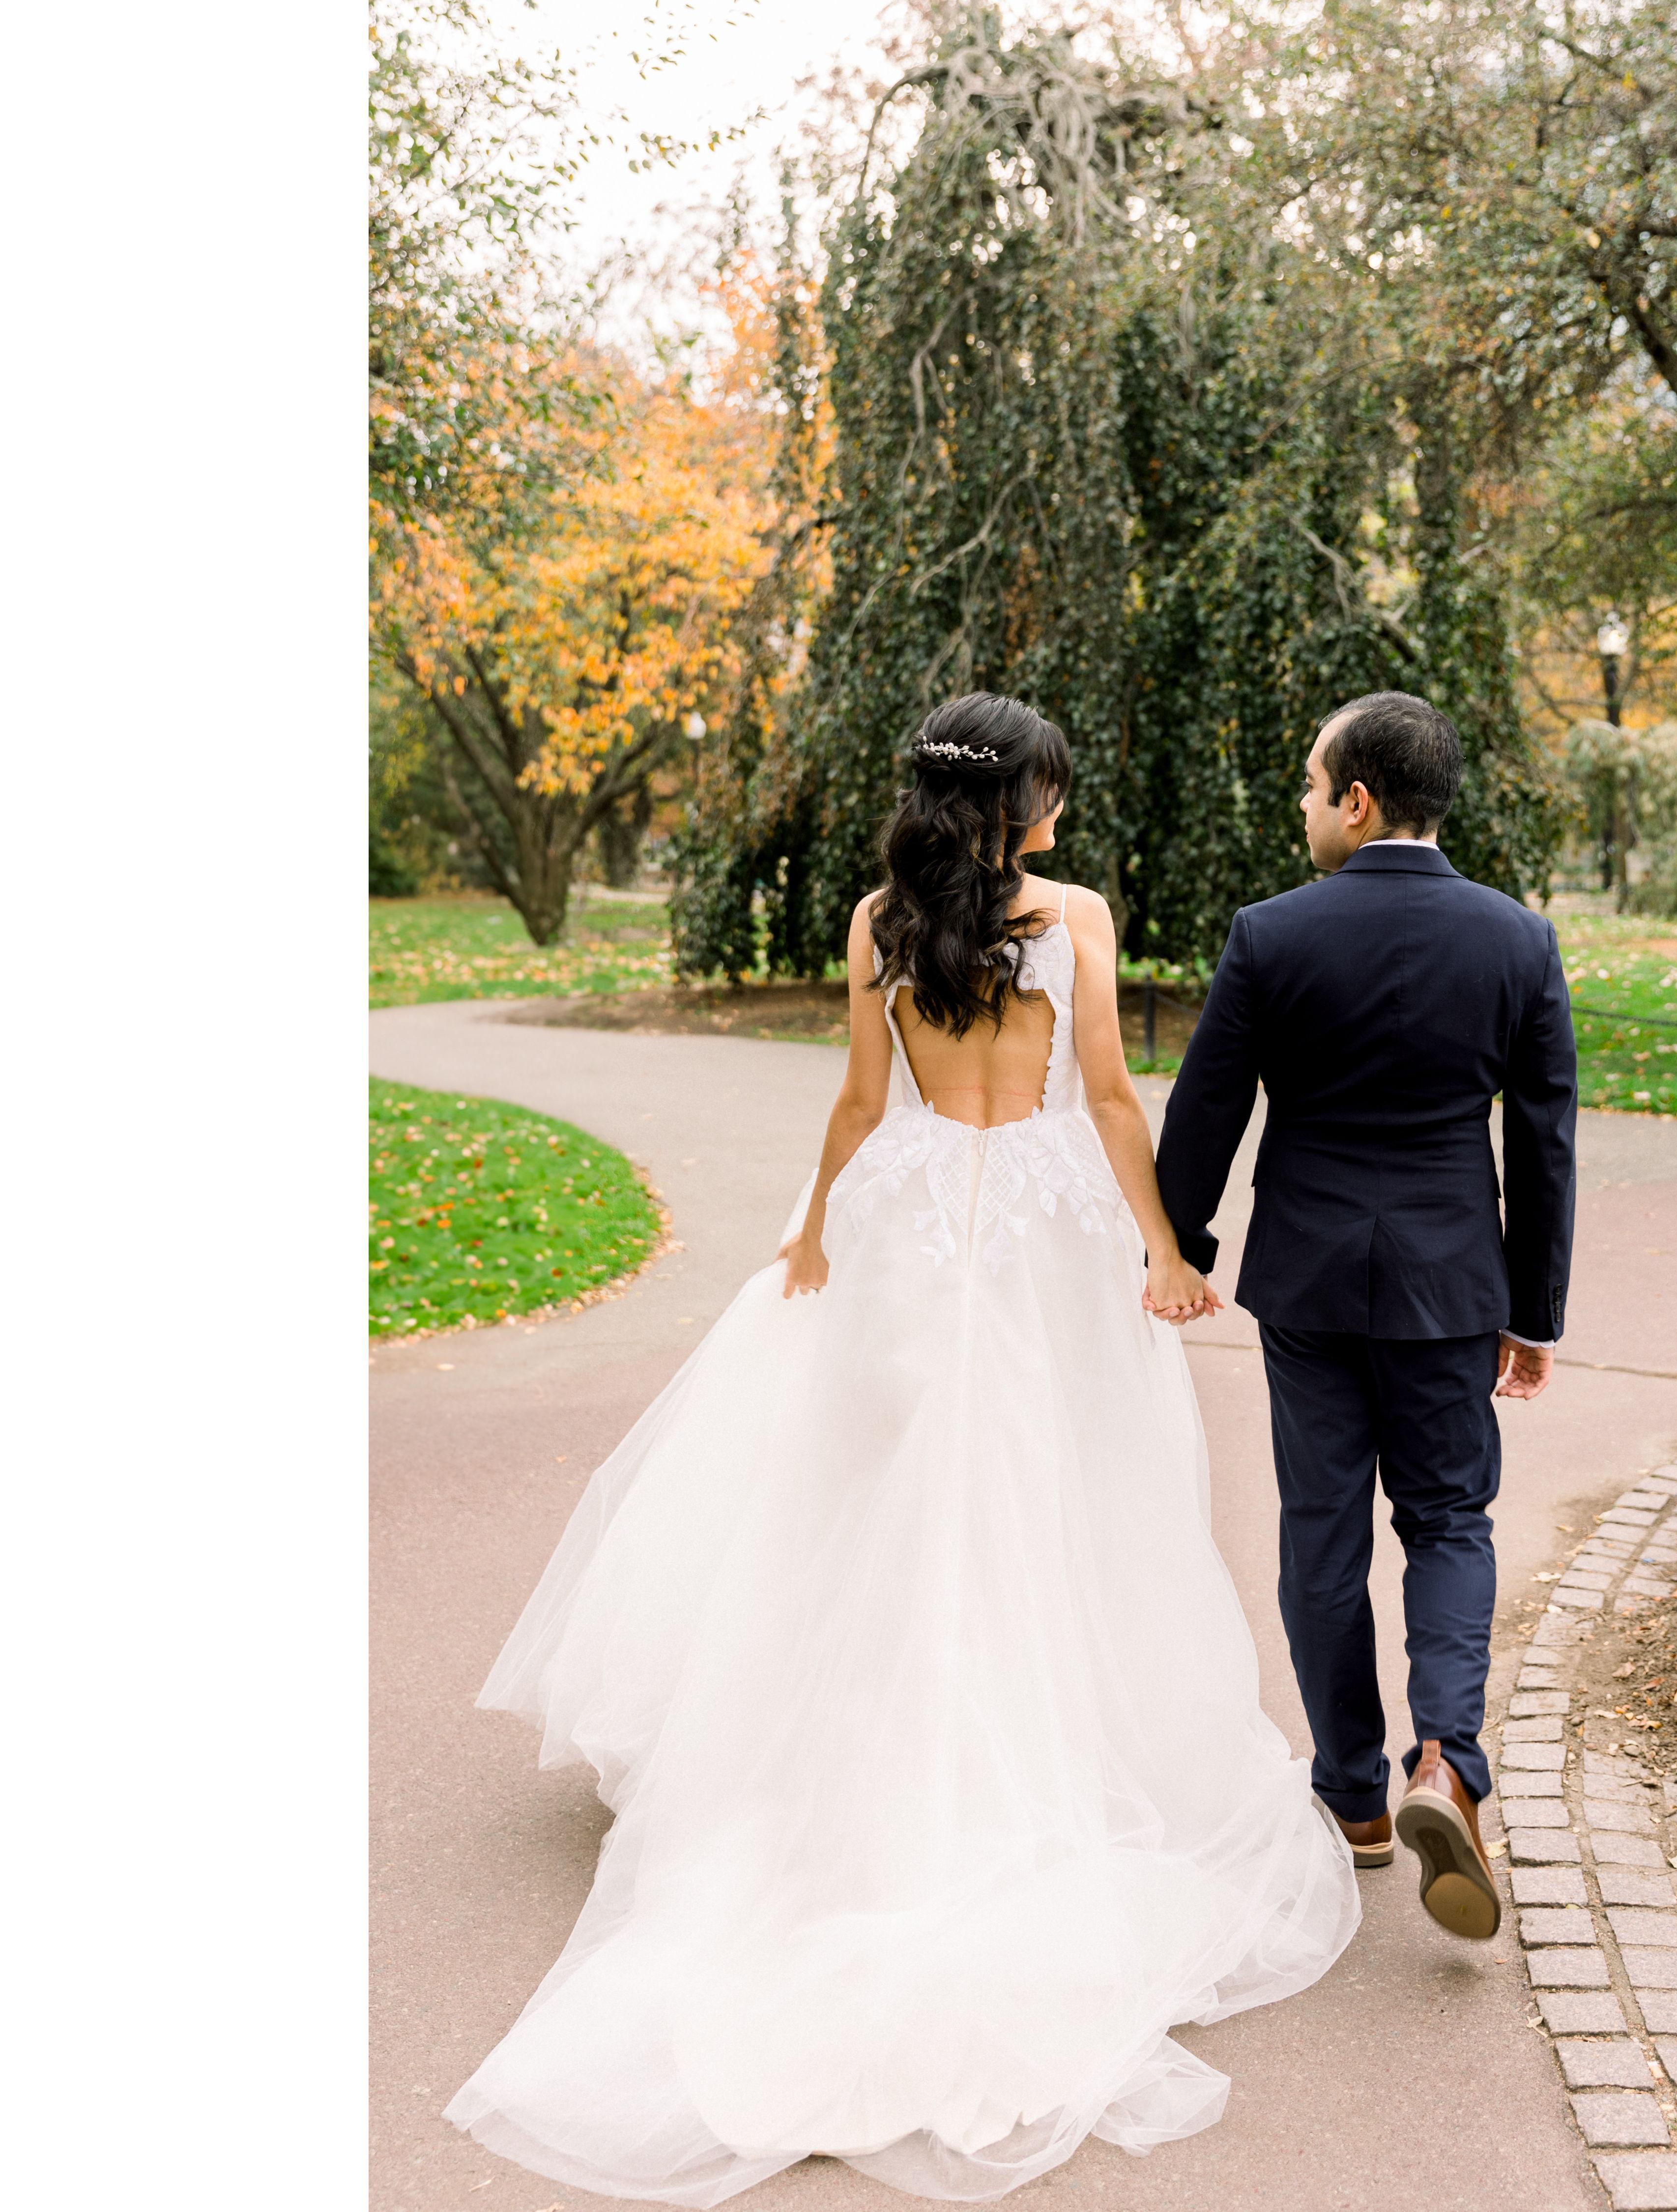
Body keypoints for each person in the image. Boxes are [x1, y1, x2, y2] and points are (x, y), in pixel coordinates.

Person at [446, 694, 1360, 2205]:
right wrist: (1165, 1249)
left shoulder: (882, 919)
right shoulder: (1074, 916)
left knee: (884, 1504)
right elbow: (1116, 1099)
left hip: (916, 1226)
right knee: (1049, 1509)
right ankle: (1018, 1770)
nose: (1066, 801)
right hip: (1051, 1237)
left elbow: (862, 1106)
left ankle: (862, 1769)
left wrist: (813, 1228)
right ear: (1027, 800)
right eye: (1055, 783)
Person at [1155, 691, 1577, 1942]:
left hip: (1314, 1282)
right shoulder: (1518, 940)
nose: (1301, 808)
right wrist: (1533, 1309)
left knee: (1321, 1534)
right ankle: (1447, 1758)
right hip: (1455, 1286)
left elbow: (1208, 1110)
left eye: (1308, 785)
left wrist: (1179, 1246)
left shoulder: (1273, 936)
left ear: (1358, 800)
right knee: (1450, 1518)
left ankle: (1353, 1798)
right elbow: (1544, 1141)